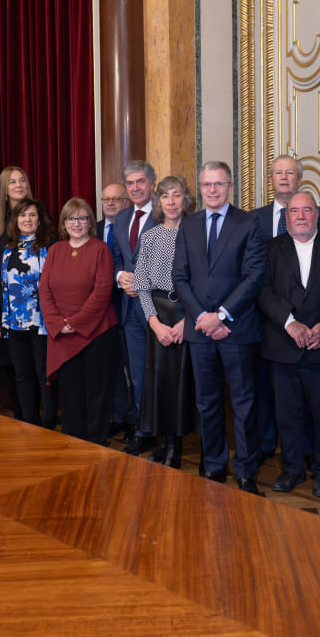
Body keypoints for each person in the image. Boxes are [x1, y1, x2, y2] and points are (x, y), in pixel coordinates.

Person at [171, 161, 266, 495]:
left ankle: (245, 471)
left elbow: (254, 276)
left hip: (236, 330)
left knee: (243, 404)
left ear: (230, 186)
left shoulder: (248, 223)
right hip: (200, 331)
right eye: (206, 185)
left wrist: (222, 315)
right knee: (207, 403)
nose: (212, 190)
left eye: (218, 184)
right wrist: (203, 318)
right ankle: (213, 465)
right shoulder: (189, 225)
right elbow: (180, 278)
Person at [257, 191, 320, 497]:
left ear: (317, 216)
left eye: (308, 210)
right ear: (286, 217)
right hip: (282, 345)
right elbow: (263, 291)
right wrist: (289, 322)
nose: (302, 216)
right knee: (287, 416)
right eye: (295, 211)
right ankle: (292, 469)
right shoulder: (269, 249)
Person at [38, 198, 118, 444]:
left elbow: (102, 292)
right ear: (64, 223)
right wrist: (58, 323)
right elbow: (44, 290)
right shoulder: (55, 250)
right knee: (70, 390)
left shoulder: (100, 249)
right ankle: (73, 440)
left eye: (82, 218)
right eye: (71, 218)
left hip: (97, 332)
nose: (77, 223)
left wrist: (77, 322)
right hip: (63, 333)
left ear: (90, 222)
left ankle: (96, 440)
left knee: (96, 390)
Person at [131, 175, 197, 467]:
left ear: (186, 200)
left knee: (184, 383)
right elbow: (142, 285)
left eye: (177, 195)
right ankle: (166, 443)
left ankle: (180, 445)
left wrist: (189, 322)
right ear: (158, 202)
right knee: (159, 383)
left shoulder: (196, 234)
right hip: (158, 316)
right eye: (165, 196)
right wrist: (154, 324)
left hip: (188, 315)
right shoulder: (150, 236)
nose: (171, 201)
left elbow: (204, 285)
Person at [0, 199, 58, 429]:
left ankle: (48, 422)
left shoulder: (51, 245)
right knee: (22, 374)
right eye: (22, 215)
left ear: (40, 219)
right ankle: (29, 422)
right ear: (15, 220)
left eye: (32, 215)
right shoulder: (5, 246)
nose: (27, 219)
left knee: (43, 374)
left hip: (43, 322)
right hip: (13, 322)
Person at [111, 161, 158, 453]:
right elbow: (116, 257)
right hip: (130, 310)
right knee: (138, 375)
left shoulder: (166, 215)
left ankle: (166, 432)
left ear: (152, 183)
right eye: (130, 183)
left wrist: (139, 280)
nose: (136, 188)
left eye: (141, 181)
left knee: (161, 373)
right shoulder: (121, 217)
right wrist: (120, 276)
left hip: (160, 308)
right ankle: (144, 430)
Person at [0, 165, 35, 417]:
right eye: (12, 182)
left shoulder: (39, 215)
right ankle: (20, 418)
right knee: (12, 367)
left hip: (35, 312)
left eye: (22, 180)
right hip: (7, 310)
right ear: (4, 189)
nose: (19, 185)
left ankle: (33, 417)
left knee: (33, 369)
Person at [98, 182, 131, 438]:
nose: (110, 203)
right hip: (100, 310)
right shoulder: (93, 229)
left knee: (133, 367)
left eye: (116, 199)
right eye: (106, 199)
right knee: (110, 367)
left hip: (130, 305)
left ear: (126, 202)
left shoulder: (132, 227)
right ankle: (119, 417)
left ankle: (137, 422)